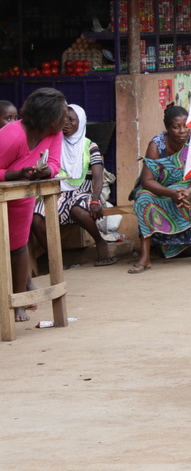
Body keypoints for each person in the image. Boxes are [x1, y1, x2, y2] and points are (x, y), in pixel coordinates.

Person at [0, 87, 66, 322]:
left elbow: (56, 164)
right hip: (5, 193)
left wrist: (46, 171)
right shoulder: (12, 135)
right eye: (62, 113)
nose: (66, 118)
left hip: (23, 198)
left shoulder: (54, 134)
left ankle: (19, 302)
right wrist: (17, 174)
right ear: (48, 118)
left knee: (18, 248)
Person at [129, 105, 191, 273]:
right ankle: (145, 258)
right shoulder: (156, 146)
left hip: (184, 189)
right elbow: (147, 181)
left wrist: (188, 192)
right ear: (167, 128)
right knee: (142, 199)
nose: (182, 131)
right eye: (176, 127)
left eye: (185, 126)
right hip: (160, 191)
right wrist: (171, 193)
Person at [31, 104, 115, 268]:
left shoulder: (90, 146)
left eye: (72, 120)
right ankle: (55, 257)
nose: (66, 123)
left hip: (85, 192)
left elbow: (98, 176)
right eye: (63, 119)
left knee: (78, 210)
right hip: (58, 192)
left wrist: (96, 200)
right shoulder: (54, 143)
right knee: (36, 219)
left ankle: (100, 242)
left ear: (81, 122)